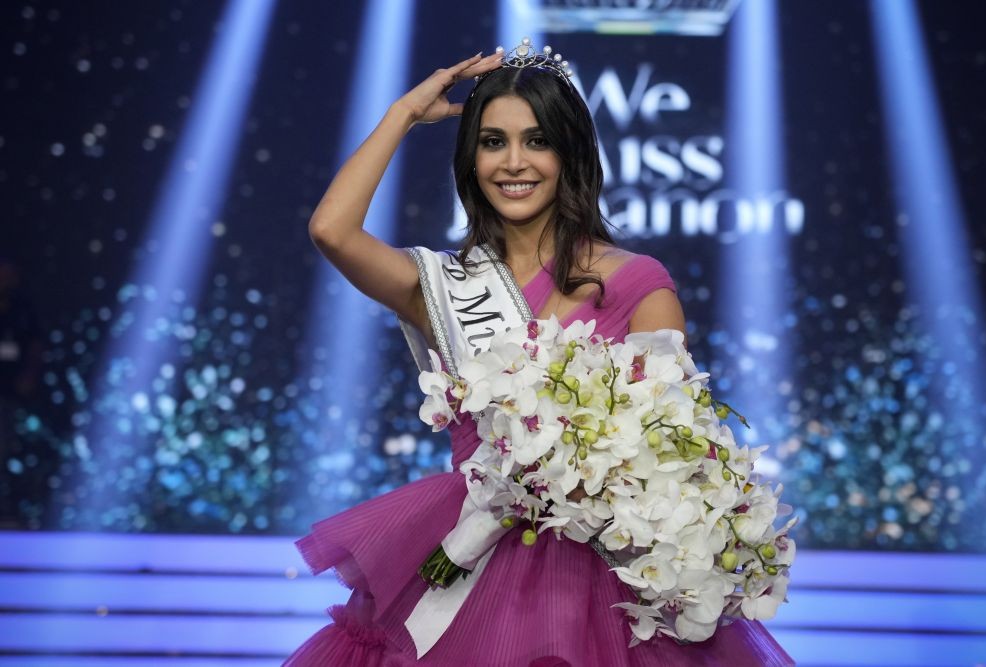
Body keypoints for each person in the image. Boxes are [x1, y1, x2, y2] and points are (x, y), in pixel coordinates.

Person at [285, 40, 793, 666]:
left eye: (537, 140)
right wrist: (404, 114)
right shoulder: (440, 285)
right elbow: (330, 230)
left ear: (570, 153)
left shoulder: (636, 283)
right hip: (465, 557)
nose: (513, 162)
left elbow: (674, 452)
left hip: (597, 584)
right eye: (492, 141)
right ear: (470, 159)